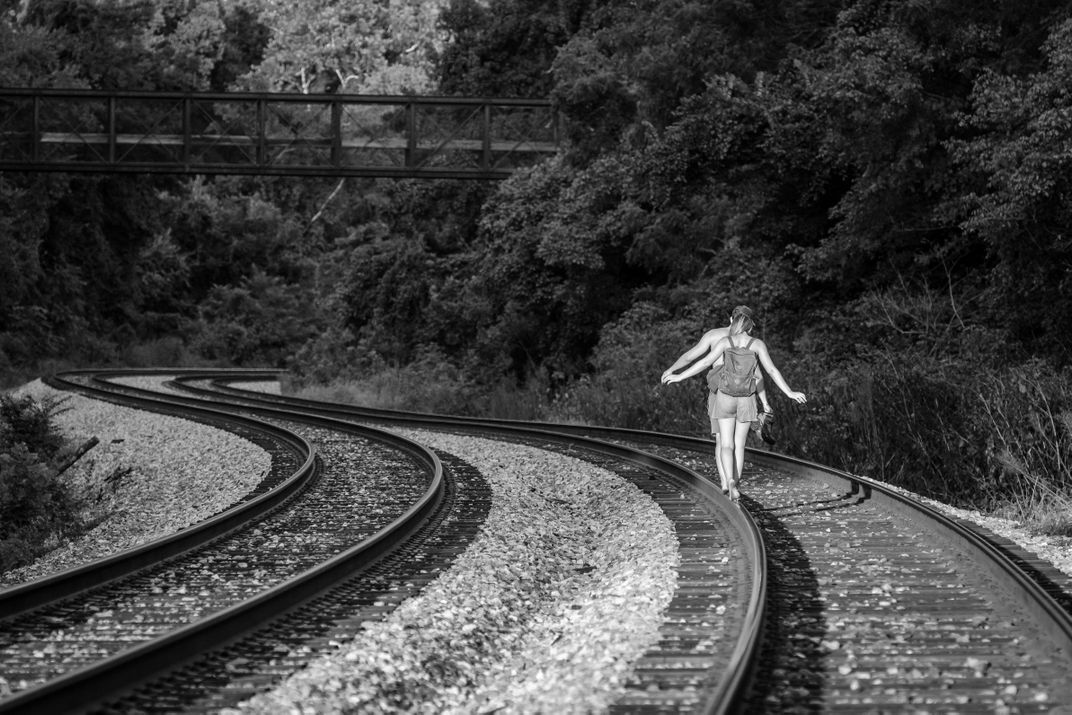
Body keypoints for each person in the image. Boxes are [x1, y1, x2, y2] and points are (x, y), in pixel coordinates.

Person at [662, 305, 806, 502]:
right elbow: (768, 372)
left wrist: (678, 376)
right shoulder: (756, 344)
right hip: (746, 398)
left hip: (723, 395)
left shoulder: (722, 340)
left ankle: (727, 479)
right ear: (751, 324)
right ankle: (735, 483)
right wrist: (788, 393)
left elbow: (702, 362)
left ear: (732, 320)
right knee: (739, 445)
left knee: (724, 443)